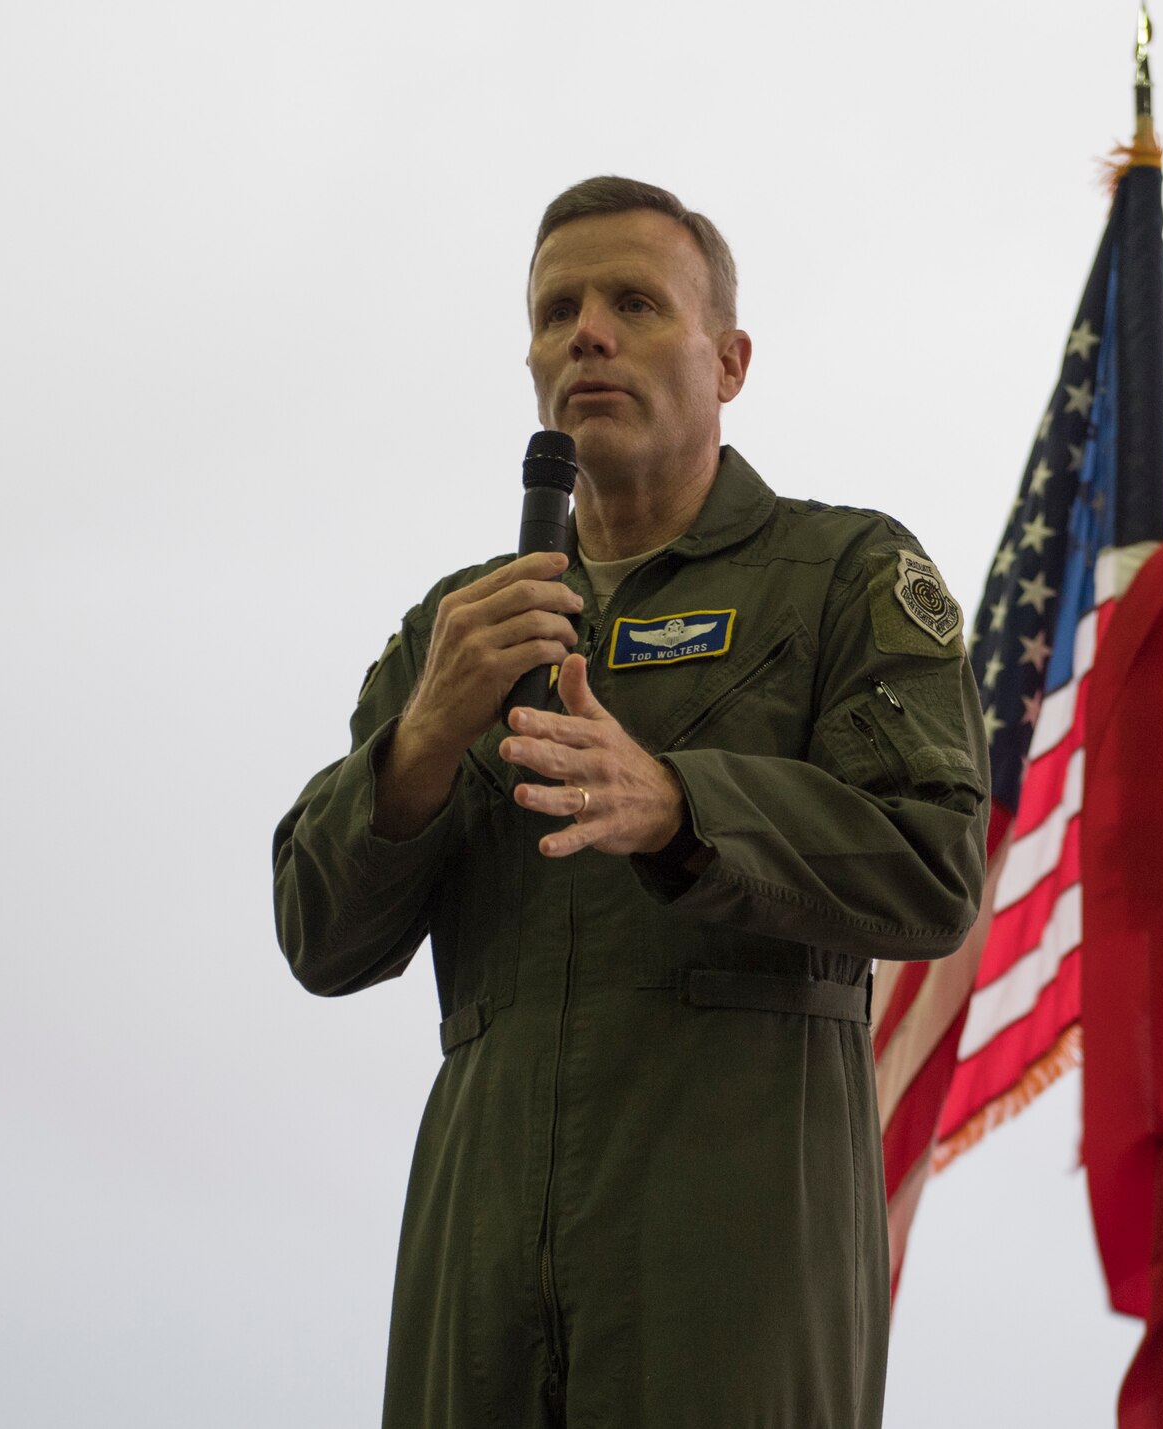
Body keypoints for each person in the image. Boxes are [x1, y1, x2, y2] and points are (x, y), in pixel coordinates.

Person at [272, 176, 990, 1429]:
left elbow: (934, 868)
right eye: (555, 312)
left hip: (732, 1260)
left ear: (730, 361)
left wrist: (681, 803)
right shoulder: (459, 630)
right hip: (480, 1257)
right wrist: (427, 735)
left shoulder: (841, 577)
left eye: (632, 303)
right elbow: (319, 936)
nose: (584, 334)